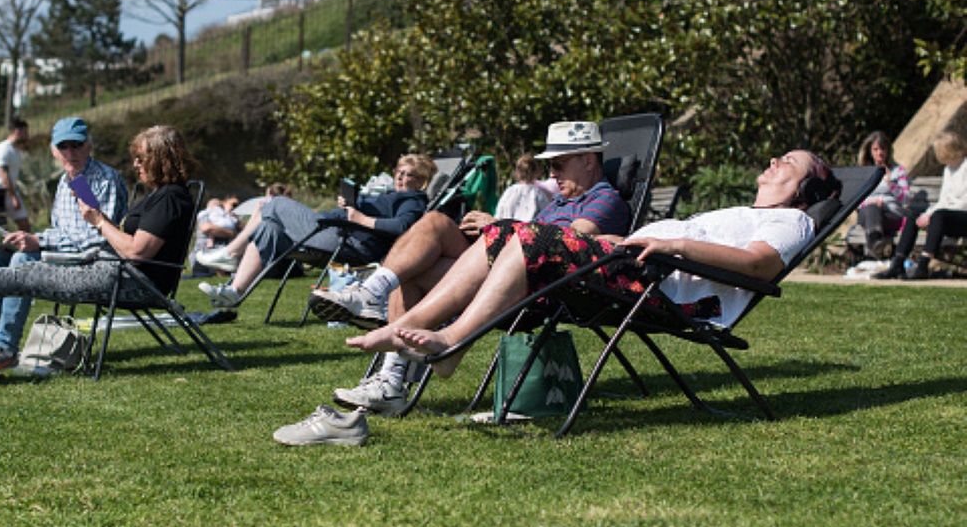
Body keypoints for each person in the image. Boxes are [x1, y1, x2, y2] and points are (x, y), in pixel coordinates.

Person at [343, 150, 837, 382]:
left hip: (660, 290)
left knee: (530, 237)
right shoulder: (743, 211)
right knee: (502, 233)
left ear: (803, 187)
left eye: (788, 161)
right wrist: (637, 240)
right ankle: (422, 333)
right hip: (633, 263)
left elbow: (757, 264)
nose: (773, 159)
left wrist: (677, 244)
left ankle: (451, 341)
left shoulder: (792, 221)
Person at [307, 121, 631, 415]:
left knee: (421, 269)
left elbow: (566, 242)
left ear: (588, 160)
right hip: (504, 270)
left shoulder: (604, 199)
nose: (552, 174)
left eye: (558, 165)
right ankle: (373, 293)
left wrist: (502, 225)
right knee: (433, 226)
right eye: (549, 166)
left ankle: (391, 377)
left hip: (537, 286)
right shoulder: (559, 202)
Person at [0, 125, 197, 330]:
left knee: (26, 276)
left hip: (129, 280)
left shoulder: (170, 198)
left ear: (162, 158)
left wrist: (97, 220)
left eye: (142, 158)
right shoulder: (162, 195)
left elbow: (137, 252)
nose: (135, 164)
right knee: (22, 270)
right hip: (111, 270)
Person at [0, 116, 128, 372]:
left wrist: (39, 241)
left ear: (89, 146)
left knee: (21, 261)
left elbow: (97, 237)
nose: (70, 152)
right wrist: (31, 239)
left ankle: (5, 348)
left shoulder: (104, 179)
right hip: (68, 255)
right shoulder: (66, 181)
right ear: (54, 151)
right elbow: (63, 230)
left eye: (76, 145)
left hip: (93, 262)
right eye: (63, 146)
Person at [195, 155, 438, 309]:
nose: (403, 178)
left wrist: (361, 218)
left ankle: (229, 253)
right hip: (336, 232)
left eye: (411, 175)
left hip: (346, 242)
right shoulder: (390, 194)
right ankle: (234, 292)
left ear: (422, 182)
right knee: (268, 227)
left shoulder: (413, 199)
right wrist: (351, 206)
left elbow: (404, 227)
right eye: (400, 171)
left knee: (276, 203)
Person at [875, 130, 967, 280]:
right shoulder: (948, 169)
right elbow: (943, 200)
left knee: (938, 215)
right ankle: (897, 263)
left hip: (962, 217)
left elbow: (964, 202)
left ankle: (923, 265)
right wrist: (927, 214)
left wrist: (933, 215)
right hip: (946, 217)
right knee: (914, 215)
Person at [854, 130, 910, 259]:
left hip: (891, 215)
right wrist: (870, 203)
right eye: (875, 149)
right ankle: (877, 245)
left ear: (888, 150)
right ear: (870, 151)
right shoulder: (864, 172)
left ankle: (873, 252)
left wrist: (891, 184)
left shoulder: (898, 171)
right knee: (871, 209)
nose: (880, 153)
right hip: (868, 214)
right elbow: (855, 201)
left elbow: (906, 199)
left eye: (883, 149)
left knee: (872, 212)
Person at [0, 117, 32, 231]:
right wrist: (13, 197)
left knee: (24, 225)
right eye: (25, 132)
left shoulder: (15, 149)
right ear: (17, 131)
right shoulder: (4, 149)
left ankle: (22, 246)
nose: (27, 135)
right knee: (21, 225)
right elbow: (3, 174)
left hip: (8, 191)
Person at [493, 153, 554, 221]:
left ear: (517, 172)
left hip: (508, 228)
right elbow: (548, 215)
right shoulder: (538, 193)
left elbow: (499, 214)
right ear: (536, 172)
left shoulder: (509, 191)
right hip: (528, 230)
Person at [191, 195, 241, 274]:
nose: (235, 207)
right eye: (233, 204)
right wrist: (232, 233)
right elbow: (207, 228)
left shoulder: (232, 218)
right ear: (224, 202)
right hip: (205, 252)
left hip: (225, 253)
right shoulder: (208, 213)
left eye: (238, 206)